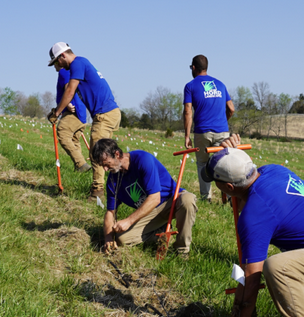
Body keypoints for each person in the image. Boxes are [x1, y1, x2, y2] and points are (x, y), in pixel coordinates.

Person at [205, 134, 304, 317]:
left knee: (280, 268)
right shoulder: (273, 170)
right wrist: (232, 155)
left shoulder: (254, 216)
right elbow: (247, 183)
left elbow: (250, 281)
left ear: (228, 189)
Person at [92, 138, 197, 256]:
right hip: (151, 211)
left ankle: (181, 251)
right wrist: (108, 237)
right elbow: (110, 212)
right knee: (122, 239)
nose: (105, 169)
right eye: (102, 166)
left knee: (188, 200)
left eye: (107, 164)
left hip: (171, 201)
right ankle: (158, 233)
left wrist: (128, 221)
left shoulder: (142, 160)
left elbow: (155, 198)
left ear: (117, 154)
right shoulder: (112, 181)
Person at [47, 42, 121, 201]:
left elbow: (70, 90)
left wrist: (57, 113)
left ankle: (97, 193)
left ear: (62, 56)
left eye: (56, 62)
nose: (58, 66)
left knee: (97, 153)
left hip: (105, 114)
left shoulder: (77, 64)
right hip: (110, 113)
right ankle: (117, 185)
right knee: (105, 153)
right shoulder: (82, 62)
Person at [182, 55, 235, 202]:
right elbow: (231, 108)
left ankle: (207, 198)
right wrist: (223, 121)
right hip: (222, 132)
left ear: (193, 67)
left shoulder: (190, 86)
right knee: (224, 164)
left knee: (202, 164)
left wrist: (187, 136)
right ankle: (230, 197)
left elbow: (188, 111)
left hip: (202, 132)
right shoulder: (220, 84)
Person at [53, 63, 90, 172]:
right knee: (74, 140)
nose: (54, 66)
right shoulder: (73, 72)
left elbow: (68, 88)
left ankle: (81, 164)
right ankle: (80, 169)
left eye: (54, 63)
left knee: (63, 133)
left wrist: (67, 103)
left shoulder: (64, 71)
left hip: (73, 112)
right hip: (82, 114)